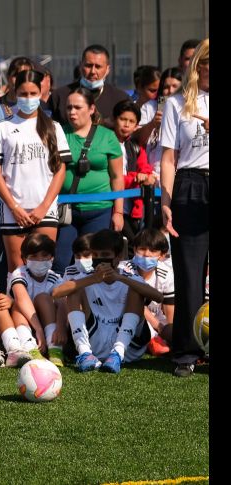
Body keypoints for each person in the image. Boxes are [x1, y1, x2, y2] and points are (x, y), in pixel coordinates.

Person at [0, 69, 70, 272]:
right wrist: (14, 208)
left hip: (45, 210)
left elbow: (60, 170)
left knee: (44, 270)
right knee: (16, 271)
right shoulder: (2, 128)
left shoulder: (53, 127)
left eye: (33, 93)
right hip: (13, 211)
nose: (28, 98)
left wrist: (44, 206)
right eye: (23, 94)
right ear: (15, 93)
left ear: (41, 93)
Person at [160, 38, 209, 377]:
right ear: (199, 65)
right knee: (189, 273)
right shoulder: (177, 103)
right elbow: (168, 157)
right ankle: (186, 353)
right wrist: (165, 201)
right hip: (189, 185)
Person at [52, 229, 162, 373]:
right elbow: (56, 293)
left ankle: (117, 353)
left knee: (136, 290)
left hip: (128, 348)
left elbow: (159, 297)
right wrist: (93, 279)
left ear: (117, 257)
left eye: (105, 255)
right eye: (95, 255)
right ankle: (84, 353)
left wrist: (120, 278)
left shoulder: (128, 276)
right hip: (94, 342)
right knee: (74, 288)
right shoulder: (87, 276)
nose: (99, 259)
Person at [53, 87, 124, 274]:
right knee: (61, 262)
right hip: (67, 211)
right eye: (68, 108)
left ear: (92, 109)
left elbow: (117, 177)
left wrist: (118, 211)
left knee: (94, 262)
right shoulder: (59, 133)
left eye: (77, 107)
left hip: (99, 209)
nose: (72, 112)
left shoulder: (107, 136)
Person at [6, 233, 67, 366]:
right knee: (17, 305)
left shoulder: (55, 277)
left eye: (44, 255)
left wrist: (61, 328)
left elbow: (63, 302)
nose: (39, 260)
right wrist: (38, 330)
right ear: (24, 259)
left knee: (43, 298)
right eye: (34, 256)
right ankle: (30, 348)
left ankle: (55, 349)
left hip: (46, 323)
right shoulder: (20, 273)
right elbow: (21, 298)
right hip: (22, 323)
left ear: (52, 258)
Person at [117, 228, 174, 356]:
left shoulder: (167, 273)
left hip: (158, 321)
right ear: (135, 249)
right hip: (129, 318)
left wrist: (170, 331)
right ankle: (151, 340)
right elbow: (132, 303)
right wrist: (159, 328)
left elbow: (170, 310)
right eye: (142, 249)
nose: (147, 254)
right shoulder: (123, 269)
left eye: (153, 251)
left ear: (162, 255)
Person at [111, 99, 155, 252]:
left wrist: (146, 175)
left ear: (137, 126)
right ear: (114, 119)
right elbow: (113, 178)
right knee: (129, 244)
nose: (126, 124)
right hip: (112, 205)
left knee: (132, 245)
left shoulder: (135, 146)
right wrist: (135, 178)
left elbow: (145, 167)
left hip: (132, 206)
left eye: (131, 121)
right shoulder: (107, 143)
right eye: (123, 119)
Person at [48, 44, 129, 126]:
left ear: (107, 69)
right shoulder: (59, 96)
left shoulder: (120, 98)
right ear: (80, 66)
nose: (93, 71)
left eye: (98, 67)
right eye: (88, 66)